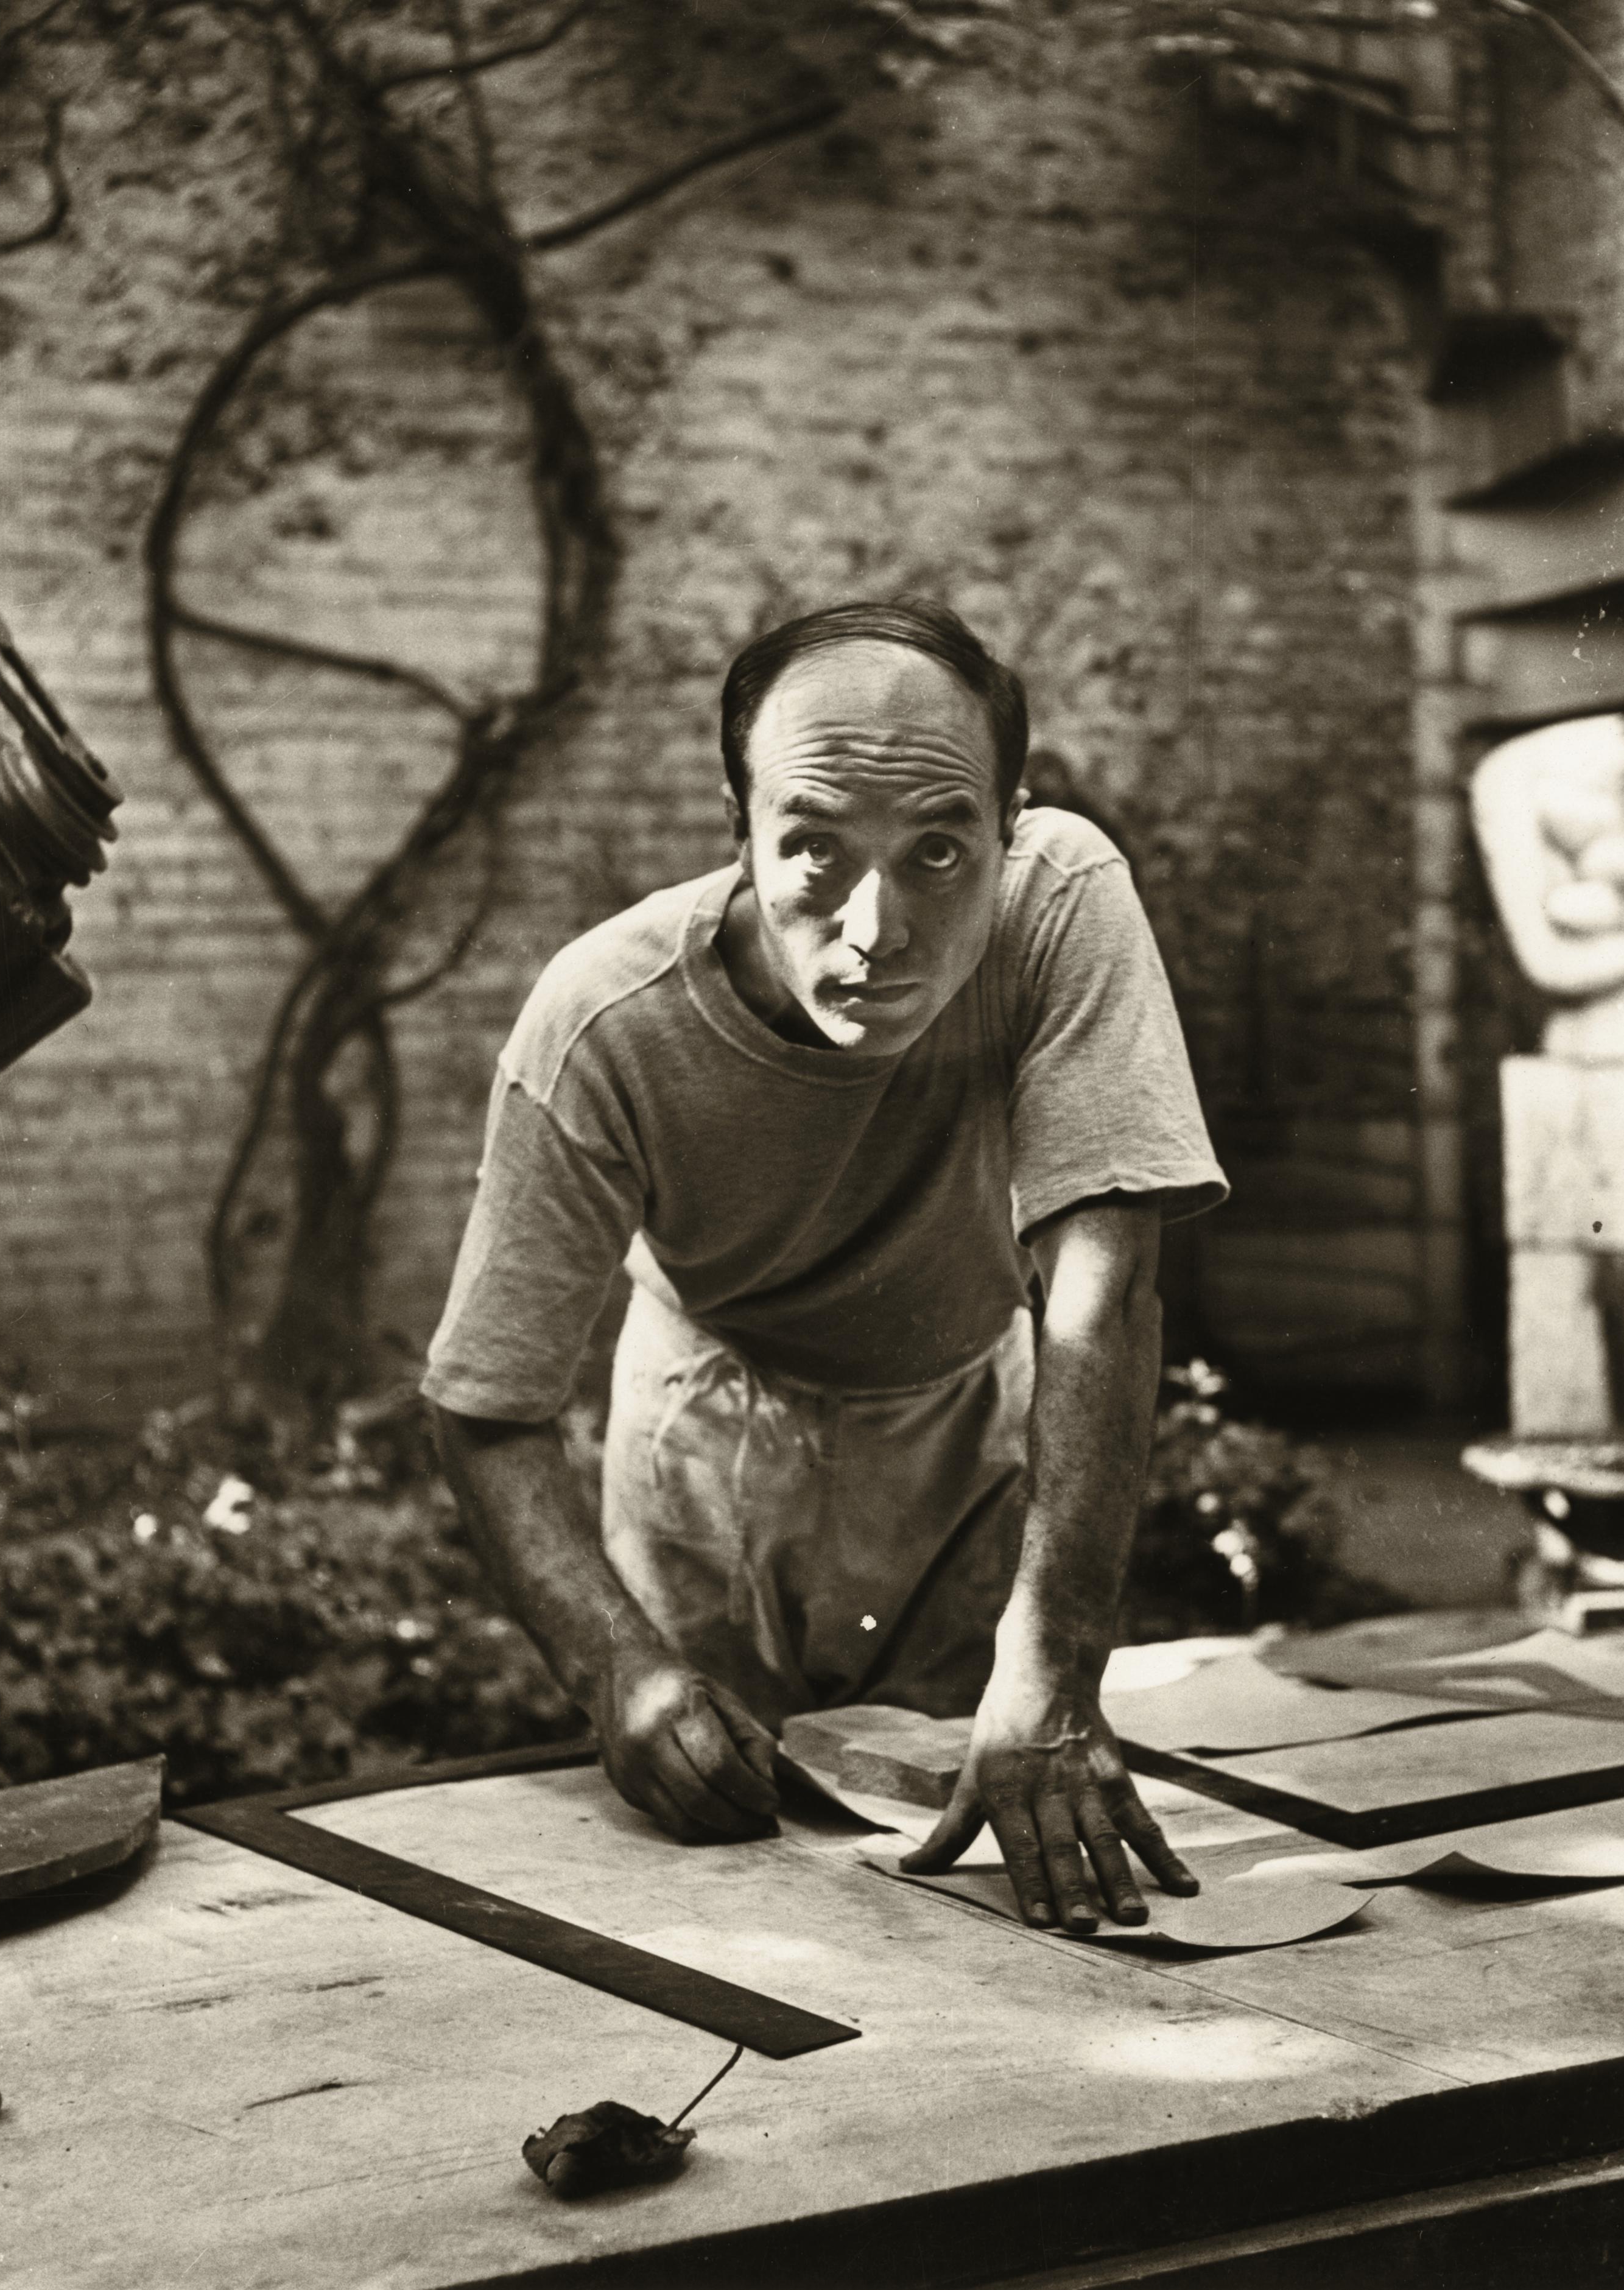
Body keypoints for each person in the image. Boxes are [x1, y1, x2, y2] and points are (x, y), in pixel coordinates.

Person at [423, 599, 1227, 1934]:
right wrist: (620, 1668)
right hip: (705, 1449)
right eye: (812, 851)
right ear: (735, 824)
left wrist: (1054, 1665)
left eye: (936, 853)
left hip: (982, 1430)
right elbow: (487, 1405)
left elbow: (1105, 1288)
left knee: (1000, 1886)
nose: (877, 929)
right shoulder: (601, 1027)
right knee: (739, 1888)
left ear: (1009, 823)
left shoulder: (1063, 900)